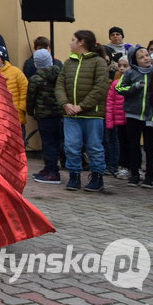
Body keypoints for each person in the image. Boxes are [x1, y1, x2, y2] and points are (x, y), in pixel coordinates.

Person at [55, 30, 109, 192]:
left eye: (73, 40)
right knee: (71, 146)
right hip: (70, 114)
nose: (70, 43)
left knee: (94, 146)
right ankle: (74, 176)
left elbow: (101, 87)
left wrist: (82, 106)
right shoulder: (68, 63)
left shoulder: (98, 62)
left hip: (92, 114)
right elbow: (59, 85)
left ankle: (97, 176)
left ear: (82, 42)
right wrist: (65, 104)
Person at [116, 47, 153, 188]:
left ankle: (149, 176)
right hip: (132, 115)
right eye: (141, 57)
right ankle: (134, 174)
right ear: (134, 61)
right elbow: (119, 88)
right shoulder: (130, 73)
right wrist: (135, 86)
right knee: (133, 145)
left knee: (149, 147)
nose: (146, 58)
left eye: (147, 55)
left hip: (150, 116)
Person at [27, 49, 63, 183]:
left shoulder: (36, 79)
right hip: (59, 114)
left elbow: (31, 98)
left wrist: (31, 112)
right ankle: (49, 168)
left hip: (44, 115)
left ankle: (52, 171)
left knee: (48, 144)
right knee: (55, 142)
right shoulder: (60, 75)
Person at [0, 45, 29, 143]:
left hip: (15, 117)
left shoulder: (15, 72)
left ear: (2, 59)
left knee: (17, 144)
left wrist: (21, 108)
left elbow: (25, 89)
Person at [105, 56, 129, 179]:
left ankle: (133, 167)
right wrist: (110, 121)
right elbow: (110, 103)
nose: (121, 69)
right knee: (119, 142)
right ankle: (119, 166)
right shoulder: (115, 83)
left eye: (125, 66)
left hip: (130, 119)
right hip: (118, 120)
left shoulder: (134, 82)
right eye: (120, 66)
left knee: (130, 144)